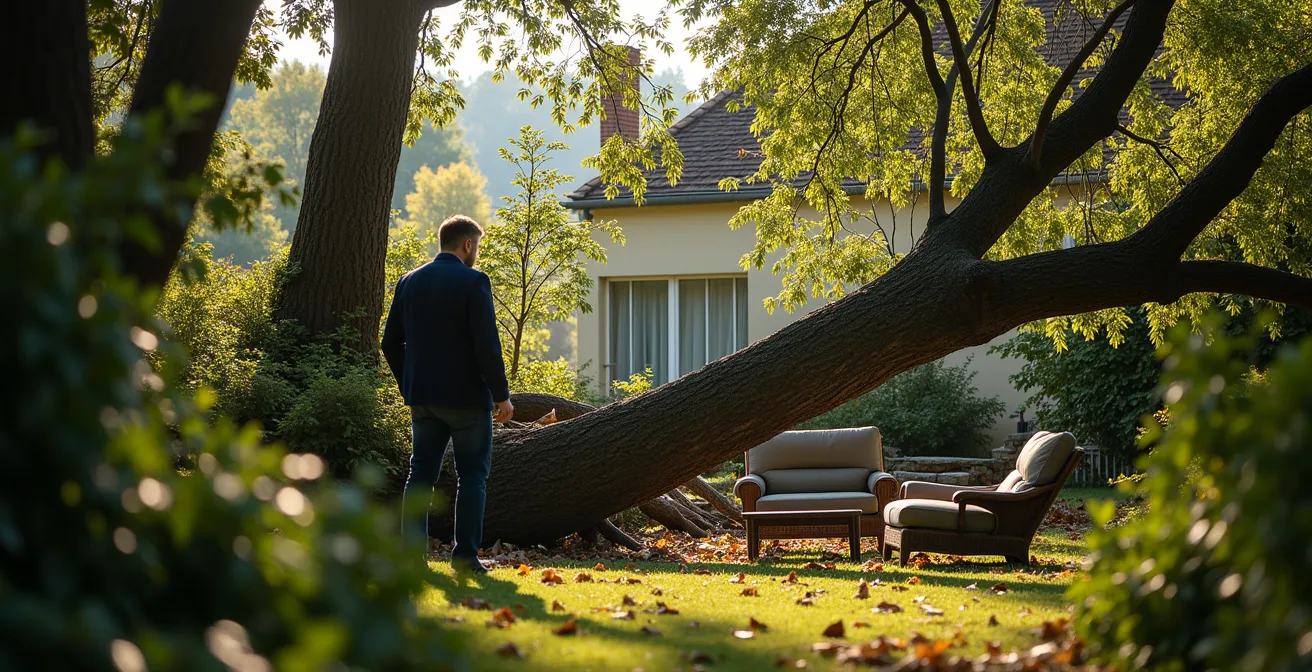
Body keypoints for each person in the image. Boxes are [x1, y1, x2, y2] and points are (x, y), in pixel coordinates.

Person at [381, 214, 513, 574]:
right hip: (467, 399)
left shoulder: (408, 282)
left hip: (422, 398)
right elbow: (487, 345)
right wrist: (502, 395)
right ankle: (465, 556)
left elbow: (390, 342)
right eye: (477, 246)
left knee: (420, 474)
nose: (476, 253)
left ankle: (411, 558)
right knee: (472, 475)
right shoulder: (473, 282)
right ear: (467, 244)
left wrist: (409, 383)